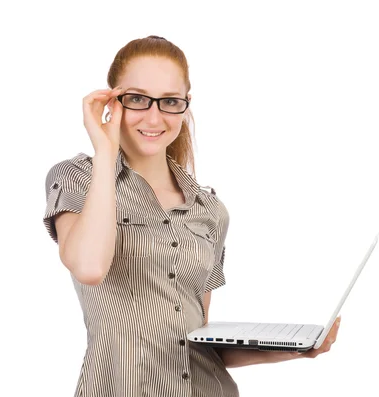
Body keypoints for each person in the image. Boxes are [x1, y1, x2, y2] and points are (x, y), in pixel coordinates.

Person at [42, 35, 341, 397]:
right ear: (111, 102)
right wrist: (105, 150)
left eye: (169, 102)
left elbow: (197, 342)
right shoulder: (78, 178)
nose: (154, 117)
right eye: (137, 99)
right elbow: (89, 267)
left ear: (185, 107)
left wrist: (294, 348)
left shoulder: (210, 210)